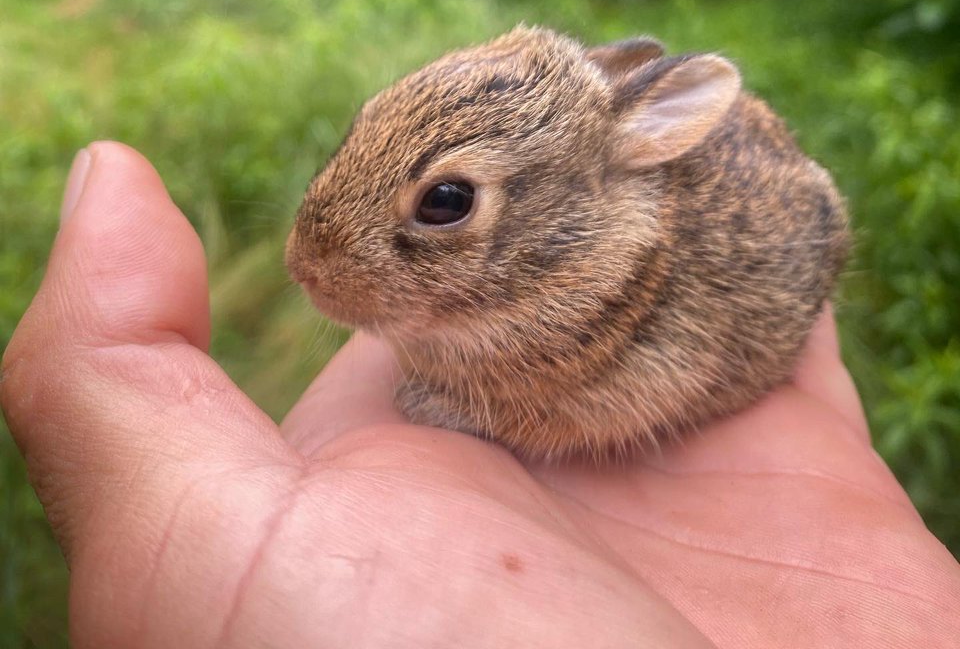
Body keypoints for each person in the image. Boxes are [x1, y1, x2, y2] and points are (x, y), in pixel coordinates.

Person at [2, 142, 958, 648]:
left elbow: (620, 396)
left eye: (445, 206)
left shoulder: (601, 290)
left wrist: (487, 407)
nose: (305, 265)